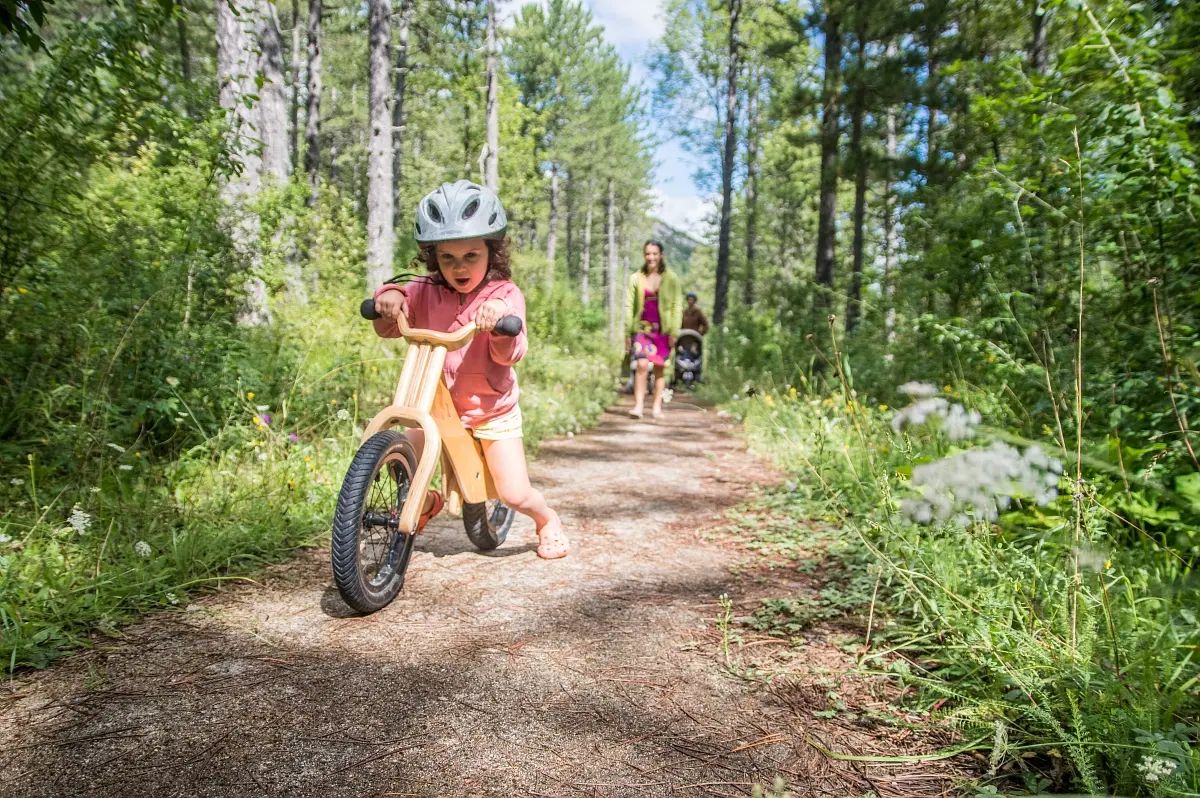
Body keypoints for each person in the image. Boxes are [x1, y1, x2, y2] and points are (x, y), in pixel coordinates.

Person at [371, 180, 569, 560]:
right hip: (437, 405)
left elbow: (513, 352)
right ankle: (422, 498)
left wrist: (500, 323)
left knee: (513, 492)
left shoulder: (504, 294)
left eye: (470, 256)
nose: (459, 268)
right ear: (434, 258)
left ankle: (546, 519)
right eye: (447, 258)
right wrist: (388, 298)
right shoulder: (426, 287)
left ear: (491, 253)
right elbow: (393, 306)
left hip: (491, 409)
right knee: (405, 451)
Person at [625, 239, 682, 420]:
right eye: (648, 253)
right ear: (644, 255)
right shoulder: (636, 278)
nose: (651, 257)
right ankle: (638, 406)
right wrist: (627, 332)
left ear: (661, 255)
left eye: (654, 254)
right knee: (641, 365)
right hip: (642, 328)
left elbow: (676, 305)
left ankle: (657, 407)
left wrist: (674, 332)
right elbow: (628, 306)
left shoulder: (671, 279)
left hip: (662, 330)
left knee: (659, 368)